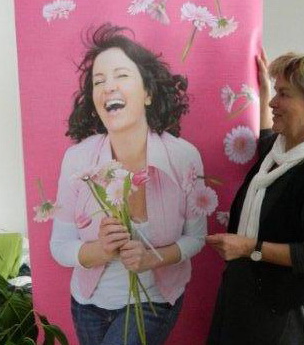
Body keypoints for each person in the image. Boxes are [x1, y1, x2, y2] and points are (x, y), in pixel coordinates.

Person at [50, 23, 207, 345]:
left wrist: (153, 258)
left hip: (154, 302)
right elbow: (60, 246)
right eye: (99, 81)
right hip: (87, 304)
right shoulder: (78, 159)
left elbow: (196, 237)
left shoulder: (183, 157)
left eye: (121, 75)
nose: (108, 87)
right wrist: (99, 250)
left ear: (148, 93)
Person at [206, 51, 304, 345]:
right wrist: (262, 90)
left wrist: (249, 247)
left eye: (283, 94)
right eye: (275, 93)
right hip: (245, 292)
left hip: (282, 308)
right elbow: (265, 138)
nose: (273, 102)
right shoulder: (279, 151)